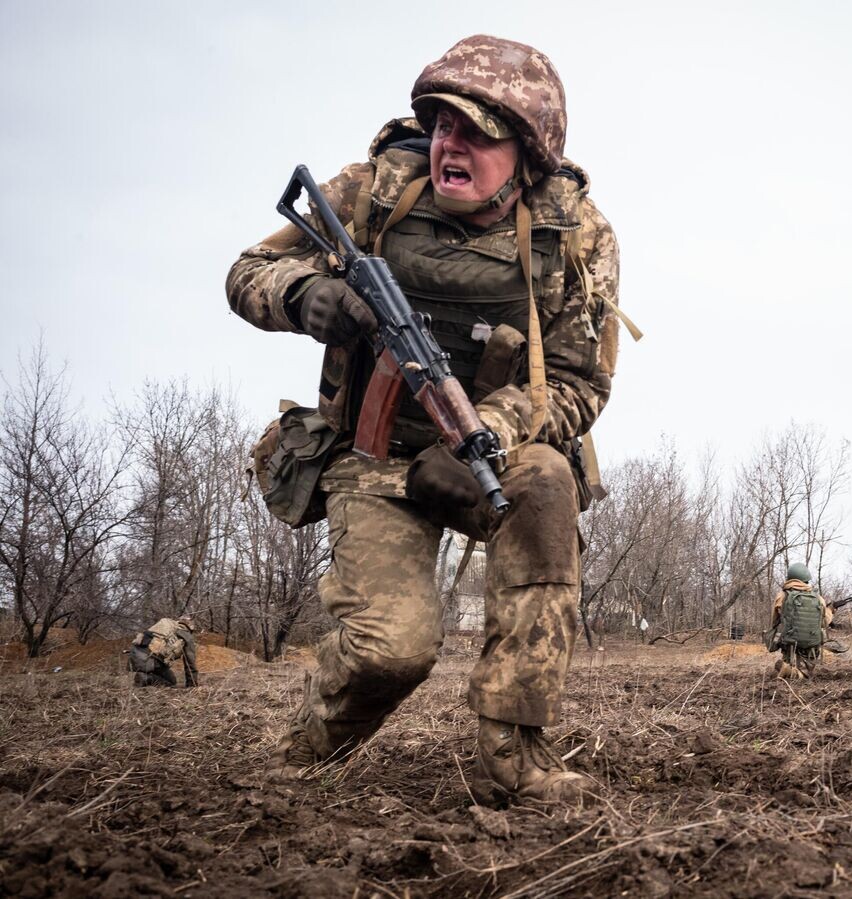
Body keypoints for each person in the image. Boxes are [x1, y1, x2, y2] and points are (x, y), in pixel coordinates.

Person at [226, 35, 622, 808]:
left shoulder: (576, 235)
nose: (450, 143)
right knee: (392, 652)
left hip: (485, 455)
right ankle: (303, 755)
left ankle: (517, 755)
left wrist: (492, 431)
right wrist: (304, 296)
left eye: (476, 131)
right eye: (442, 124)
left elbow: (581, 381)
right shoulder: (376, 188)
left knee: (546, 486)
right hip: (372, 455)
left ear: (528, 151)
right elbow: (245, 270)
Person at [769, 562, 833, 680]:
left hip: (789, 641)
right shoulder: (818, 598)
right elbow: (824, 622)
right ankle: (800, 672)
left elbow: (774, 621)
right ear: (806, 579)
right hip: (812, 643)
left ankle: (789, 670)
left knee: (790, 662)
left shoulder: (782, 595)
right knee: (808, 672)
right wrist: (831, 611)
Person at [129, 616, 199, 688]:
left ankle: (145, 677)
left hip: (135, 654)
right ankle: (146, 678)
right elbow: (190, 663)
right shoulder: (187, 636)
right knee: (171, 683)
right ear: (190, 627)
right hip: (150, 660)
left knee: (170, 677)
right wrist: (192, 684)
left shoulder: (166, 624)